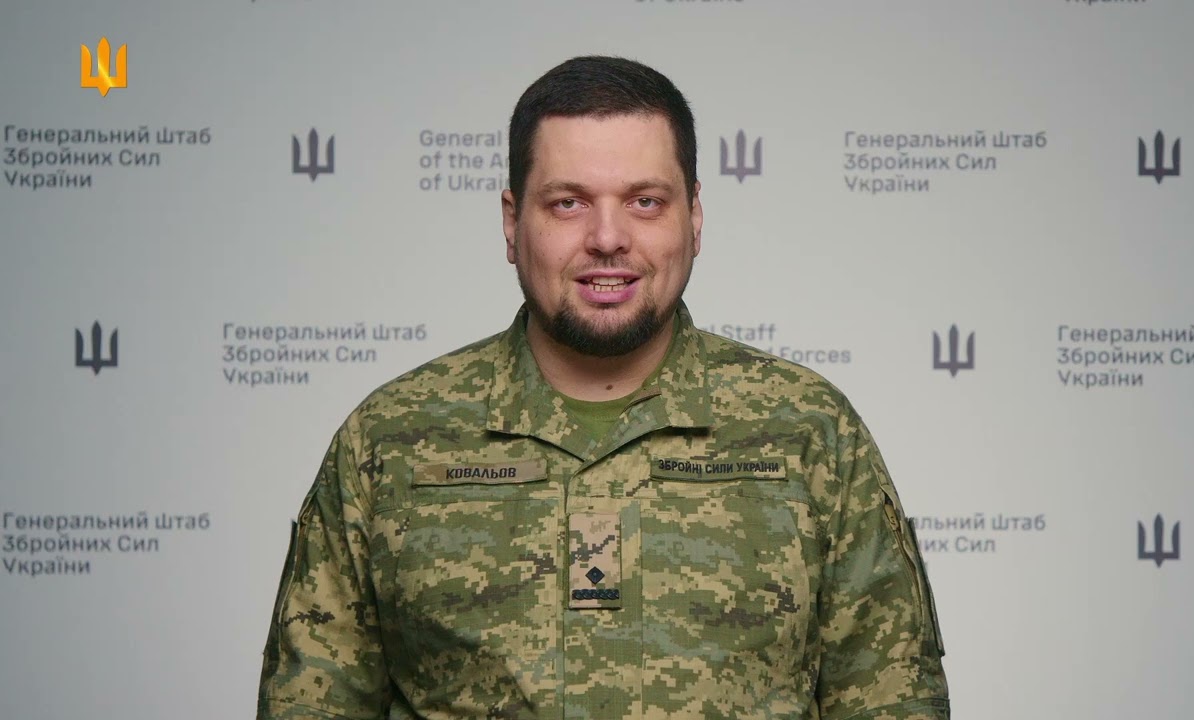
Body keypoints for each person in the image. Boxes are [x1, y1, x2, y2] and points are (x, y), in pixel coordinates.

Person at [257, 56, 949, 720]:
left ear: (694, 217)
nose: (608, 237)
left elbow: (893, 702)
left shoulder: (810, 430)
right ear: (512, 221)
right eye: (568, 203)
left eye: (645, 202)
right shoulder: (388, 439)